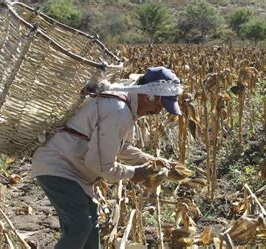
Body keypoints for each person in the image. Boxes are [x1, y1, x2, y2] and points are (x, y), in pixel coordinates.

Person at [31, 66, 183, 249]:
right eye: (160, 104)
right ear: (148, 95)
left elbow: (122, 146)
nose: (159, 111)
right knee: (80, 227)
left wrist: (153, 161)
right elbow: (100, 164)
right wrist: (134, 173)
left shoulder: (126, 107)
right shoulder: (118, 111)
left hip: (72, 170)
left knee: (90, 227)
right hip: (58, 166)